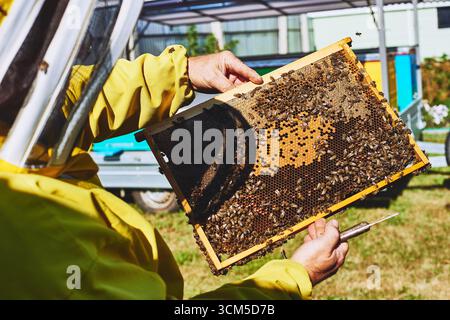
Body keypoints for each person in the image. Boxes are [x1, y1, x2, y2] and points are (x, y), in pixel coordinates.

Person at [0, 0, 348, 299]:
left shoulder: (15, 104)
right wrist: (294, 277)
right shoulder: (42, 233)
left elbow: (59, 97)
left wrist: (182, 71)